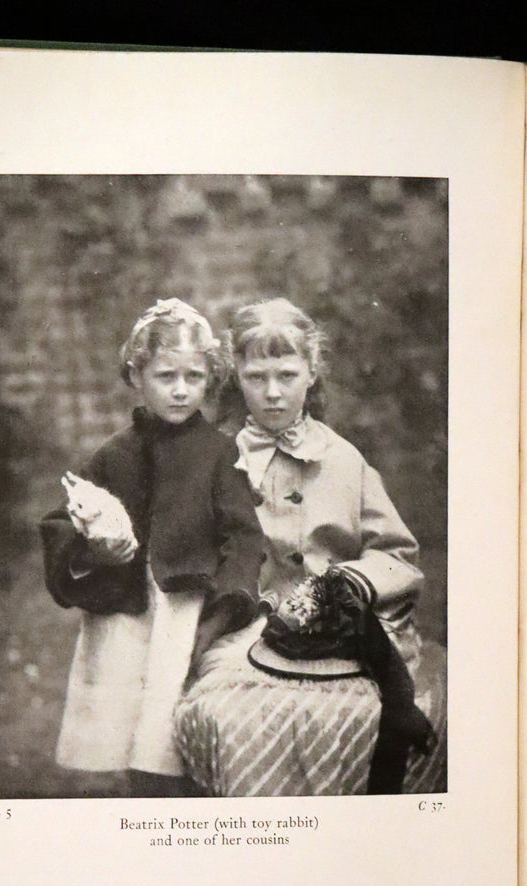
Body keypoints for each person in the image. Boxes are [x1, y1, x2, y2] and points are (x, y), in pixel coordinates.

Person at [175, 298, 447, 796]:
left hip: (343, 635)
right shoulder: (215, 460)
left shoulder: (343, 460)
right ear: (236, 374)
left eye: (287, 374)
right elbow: (190, 556)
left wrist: (354, 582)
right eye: (257, 376)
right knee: (236, 718)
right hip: (248, 634)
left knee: (372, 716)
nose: (274, 393)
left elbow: (396, 555)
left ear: (312, 371)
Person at [40, 298, 265, 797]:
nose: (182, 390)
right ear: (136, 375)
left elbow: (244, 536)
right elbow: (64, 520)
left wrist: (225, 607)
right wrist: (92, 550)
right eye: (166, 376)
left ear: (210, 378)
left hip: (184, 612)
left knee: (172, 733)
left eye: (195, 376)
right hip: (124, 611)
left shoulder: (218, 453)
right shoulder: (115, 453)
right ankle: (134, 804)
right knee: (122, 730)